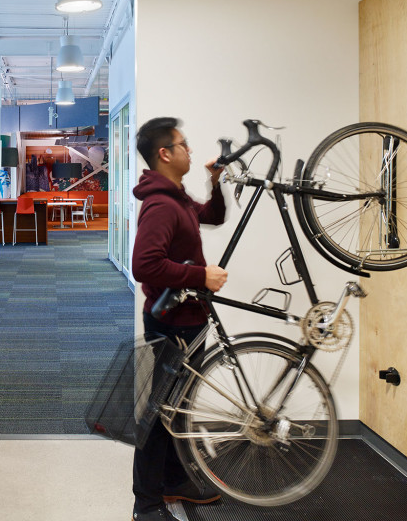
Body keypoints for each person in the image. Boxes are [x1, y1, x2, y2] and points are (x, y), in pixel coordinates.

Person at [130, 117, 229, 521]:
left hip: (188, 317)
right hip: (173, 322)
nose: (190, 150)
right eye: (183, 144)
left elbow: (213, 216)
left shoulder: (178, 197)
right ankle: (146, 504)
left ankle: (174, 481)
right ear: (165, 154)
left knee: (177, 407)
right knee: (160, 413)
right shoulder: (160, 204)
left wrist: (216, 182)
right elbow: (144, 265)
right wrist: (200, 276)